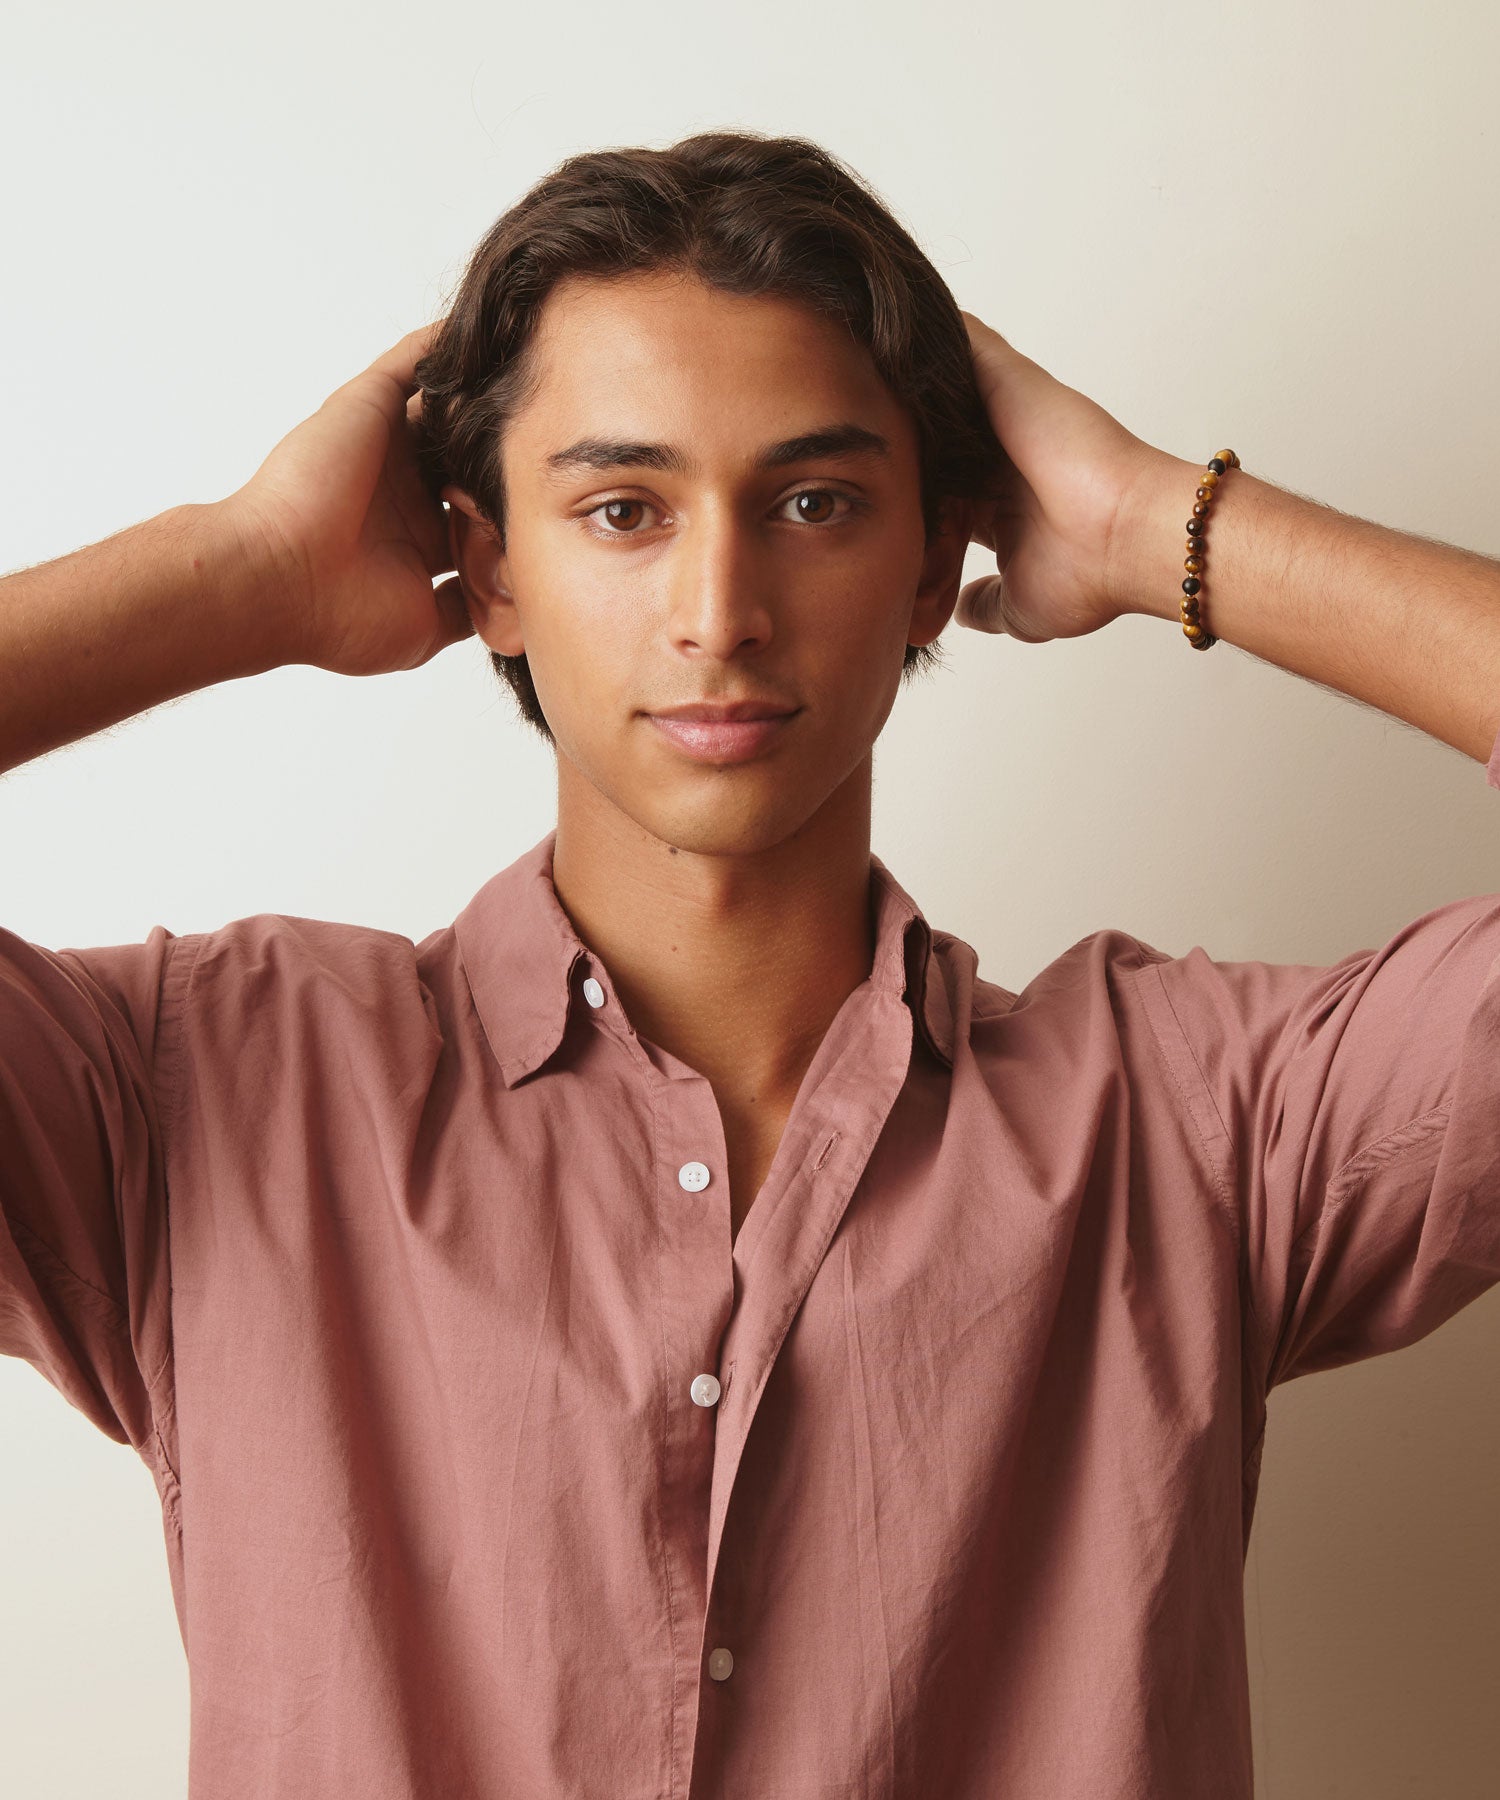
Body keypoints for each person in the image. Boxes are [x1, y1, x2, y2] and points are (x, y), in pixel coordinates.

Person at [2, 130, 1497, 1799]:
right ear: (493, 566)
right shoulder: (197, 1096)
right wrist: (239, 575)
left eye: (813, 501)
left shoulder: (1203, 1126)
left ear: (935, 562)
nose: (720, 608)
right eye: (622, 509)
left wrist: (1164, 526)